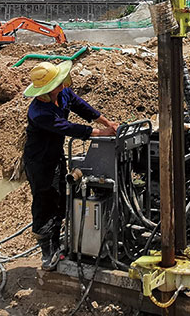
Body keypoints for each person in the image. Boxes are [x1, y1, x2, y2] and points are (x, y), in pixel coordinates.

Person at [21, 60, 118, 269]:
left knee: (60, 201)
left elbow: (81, 106)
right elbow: (68, 128)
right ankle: (47, 251)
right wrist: (101, 134)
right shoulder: (39, 112)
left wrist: (106, 122)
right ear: (46, 89)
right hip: (39, 162)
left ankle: (59, 243)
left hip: (55, 157)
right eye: (57, 82)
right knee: (44, 203)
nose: (62, 84)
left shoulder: (63, 93)